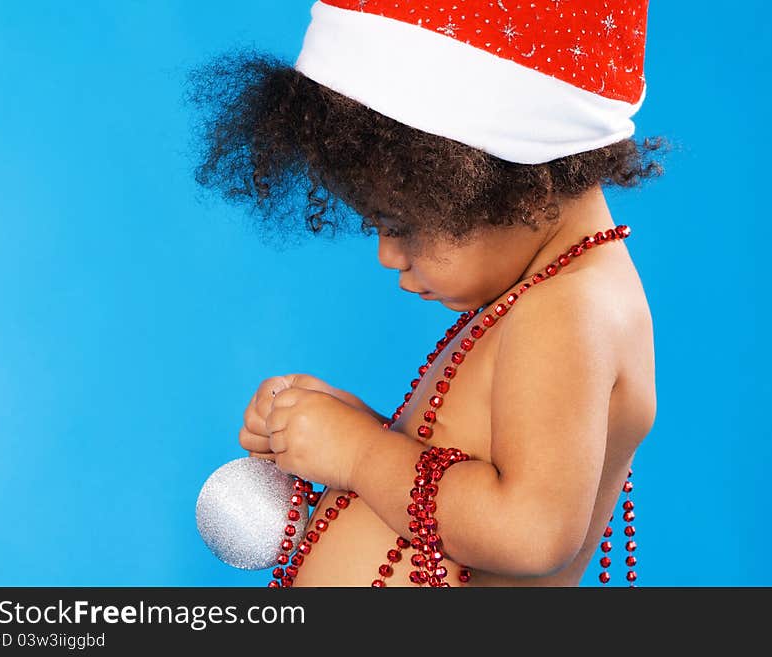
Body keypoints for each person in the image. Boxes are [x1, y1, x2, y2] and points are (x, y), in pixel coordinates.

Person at [186, 0, 668, 587]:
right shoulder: (539, 293)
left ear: (509, 177)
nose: (388, 255)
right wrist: (351, 433)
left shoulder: (571, 309)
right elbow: (459, 482)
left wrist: (361, 454)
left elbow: (529, 533)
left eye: (401, 222)